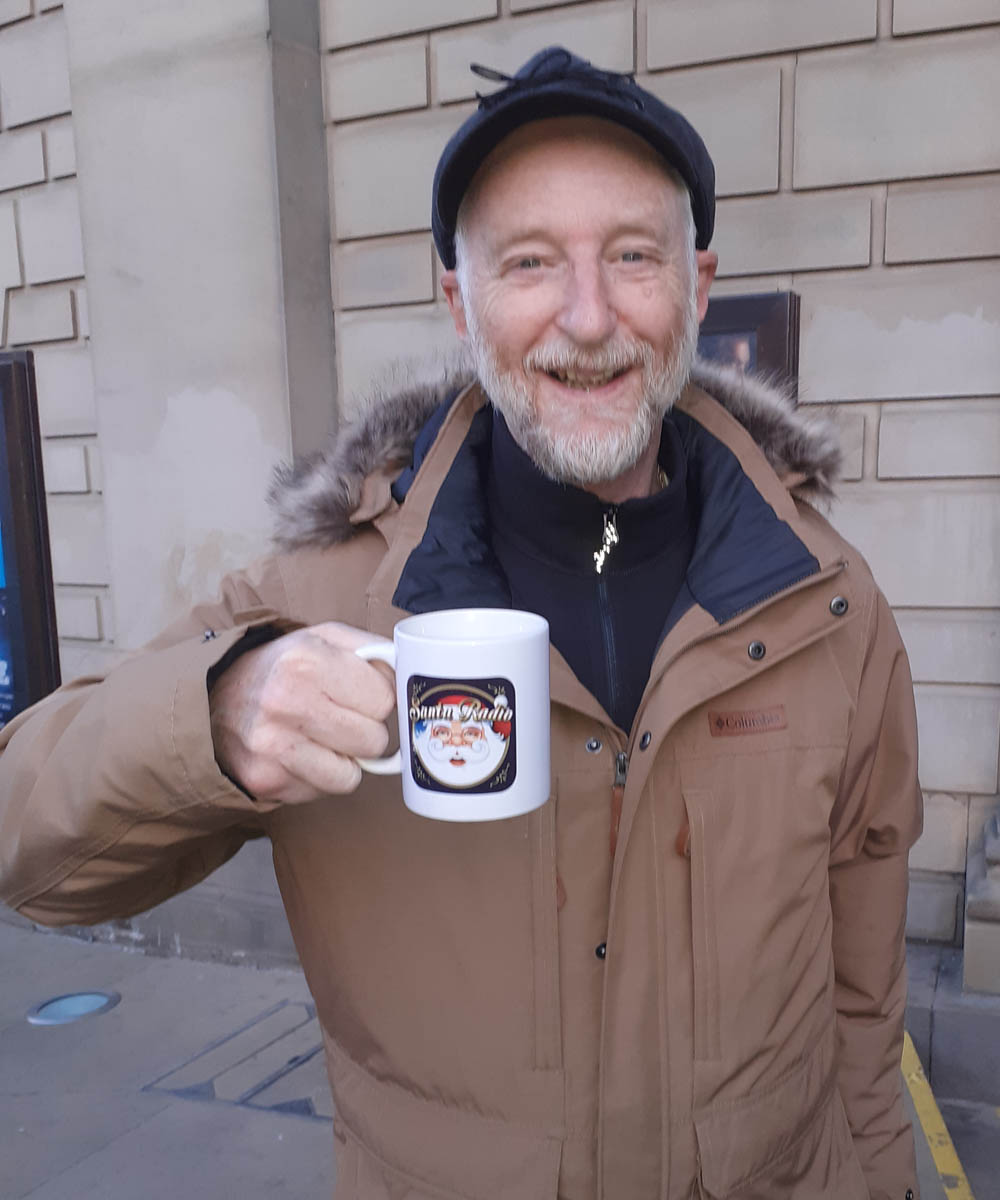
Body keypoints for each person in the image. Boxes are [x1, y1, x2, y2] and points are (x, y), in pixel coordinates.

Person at [0, 47, 922, 1200]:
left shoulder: (827, 602)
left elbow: (860, 986)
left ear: (695, 283)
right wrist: (216, 715)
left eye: (632, 256)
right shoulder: (320, 594)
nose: (588, 319)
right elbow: (32, 857)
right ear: (459, 299)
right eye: (530, 262)